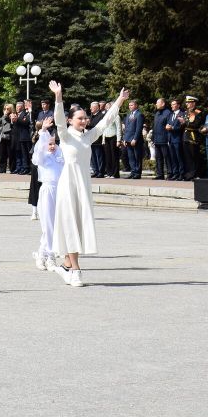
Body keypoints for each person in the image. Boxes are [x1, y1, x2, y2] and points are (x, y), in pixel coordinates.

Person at [48, 80, 128, 288]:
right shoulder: (65, 136)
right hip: (68, 184)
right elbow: (58, 119)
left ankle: (66, 265)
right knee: (70, 224)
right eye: (79, 118)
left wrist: (120, 100)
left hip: (83, 185)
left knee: (78, 225)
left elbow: (106, 121)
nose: (83, 121)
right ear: (71, 120)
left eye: (85, 118)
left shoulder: (88, 136)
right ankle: (75, 270)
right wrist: (58, 96)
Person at [31, 117, 64, 272]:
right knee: (48, 226)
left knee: (56, 226)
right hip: (47, 191)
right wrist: (43, 131)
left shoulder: (59, 156)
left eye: (54, 143)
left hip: (59, 191)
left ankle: (44, 255)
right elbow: (39, 150)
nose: (52, 146)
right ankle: (47, 256)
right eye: (49, 144)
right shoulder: (42, 157)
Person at [122, 100, 144, 179]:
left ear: (136, 106)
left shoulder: (139, 115)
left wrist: (135, 139)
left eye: (131, 105)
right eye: (129, 105)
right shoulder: (128, 115)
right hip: (128, 139)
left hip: (135, 140)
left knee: (137, 156)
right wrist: (124, 139)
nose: (130, 106)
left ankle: (137, 173)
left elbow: (138, 128)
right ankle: (133, 171)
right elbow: (126, 128)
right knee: (130, 157)